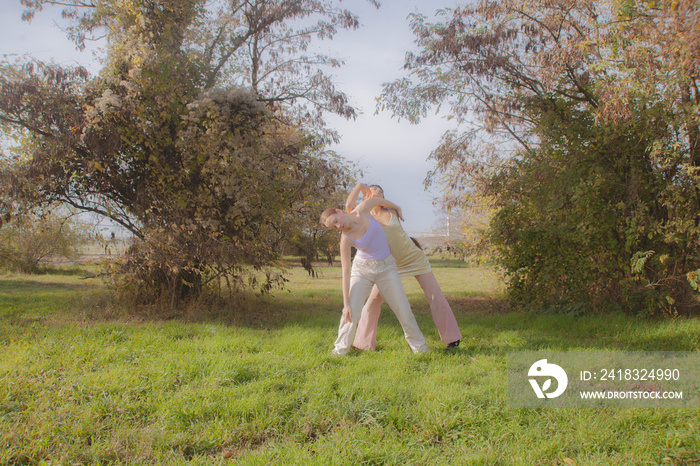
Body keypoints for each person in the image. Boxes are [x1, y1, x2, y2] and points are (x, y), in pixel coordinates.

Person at [345, 183, 462, 350]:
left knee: (434, 294)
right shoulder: (363, 216)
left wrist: (396, 206)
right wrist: (358, 187)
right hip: (388, 264)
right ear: (366, 195)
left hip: (413, 257)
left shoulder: (391, 212)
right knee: (374, 300)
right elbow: (349, 206)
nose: (378, 193)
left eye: (381, 192)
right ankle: (363, 344)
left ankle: (452, 338)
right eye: (374, 191)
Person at [320, 197, 429, 355]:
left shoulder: (362, 210)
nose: (339, 226)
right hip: (362, 271)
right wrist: (346, 304)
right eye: (334, 227)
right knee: (351, 312)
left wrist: (397, 207)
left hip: (387, 268)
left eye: (336, 220)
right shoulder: (345, 238)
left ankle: (421, 349)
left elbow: (377, 199)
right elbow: (345, 271)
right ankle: (339, 351)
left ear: (339, 211)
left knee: (404, 310)